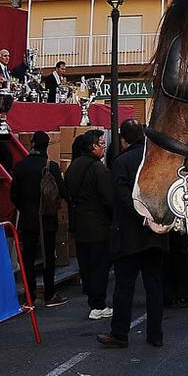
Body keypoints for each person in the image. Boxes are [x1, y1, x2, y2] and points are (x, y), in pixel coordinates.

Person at [98, 121, 170, 348]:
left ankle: (120, 333)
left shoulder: (121, 162)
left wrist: (141, 218)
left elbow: (120, 196)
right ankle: (155, 334)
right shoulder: (157, 160)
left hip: (129, 234)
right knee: (154, 286)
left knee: (124, 286)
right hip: (156, 234)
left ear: (123, 139)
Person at [8, 130, 69, 306]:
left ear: (32, 144)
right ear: (47, 145)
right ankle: (50, 294)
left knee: (27, 257)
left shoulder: (20, 166)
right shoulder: (51, 166)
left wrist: (24, 207)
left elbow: (14, 194)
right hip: (47, 218)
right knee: (49, 255)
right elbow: (62, 192)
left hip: (28, 217)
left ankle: (30, 296)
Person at [64, 129, 115, 319]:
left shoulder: (74, 167)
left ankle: (93, 301)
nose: (104, 148)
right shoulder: (97, 168)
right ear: (93, 146)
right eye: (102, 144)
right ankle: (98, 304)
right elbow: (108, 199)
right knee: (100, 266)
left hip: (80, 223)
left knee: (86, 265)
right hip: (98, 225)